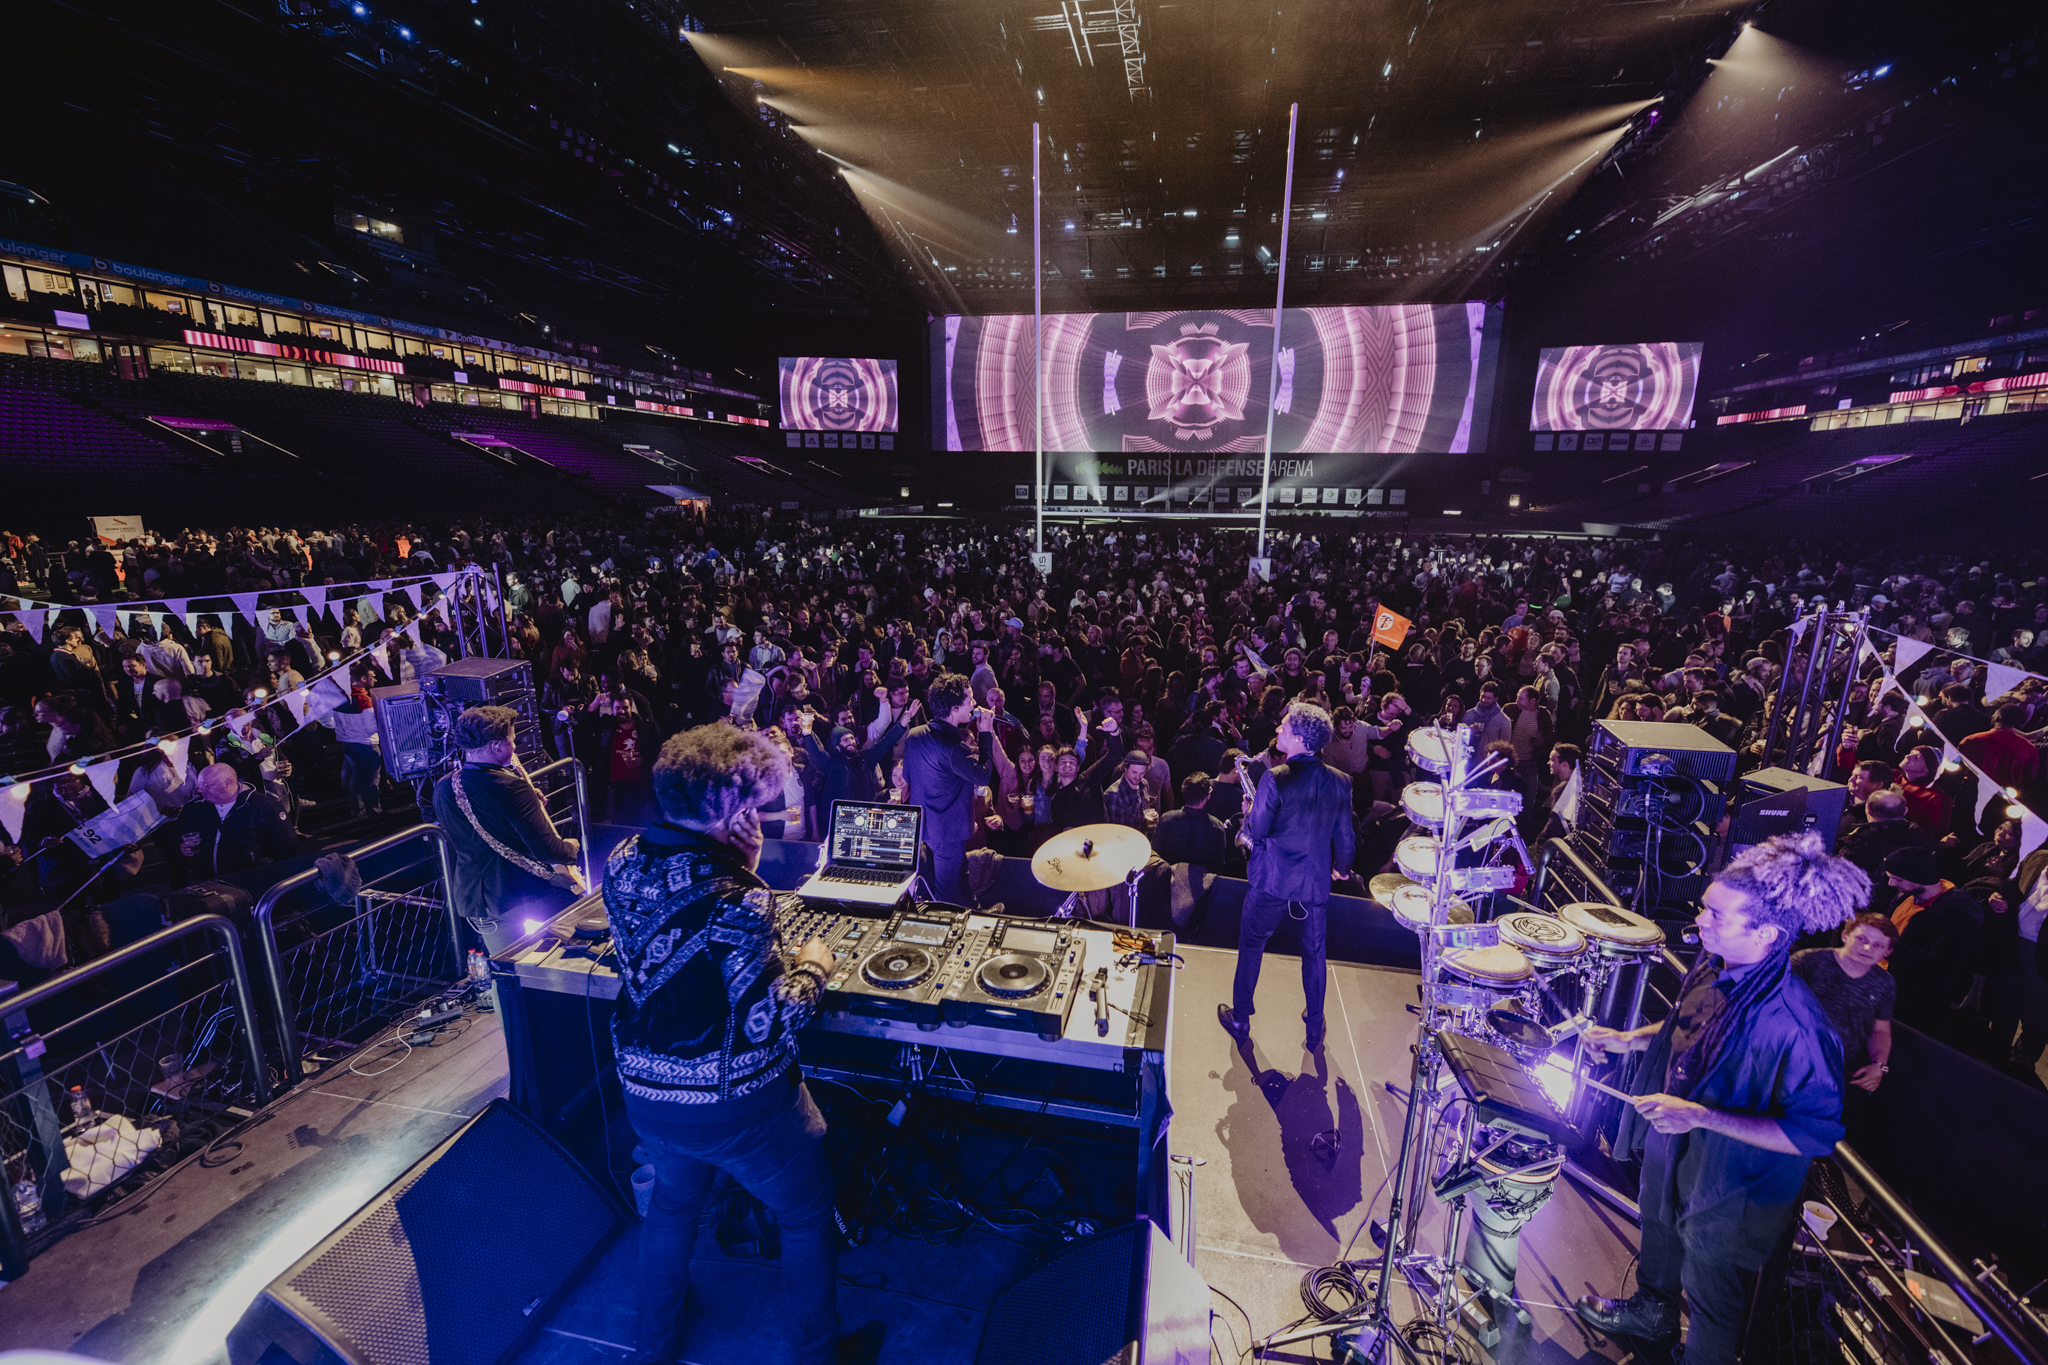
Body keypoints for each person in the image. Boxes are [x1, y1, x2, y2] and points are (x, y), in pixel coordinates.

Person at [605, 725, 884, 1365]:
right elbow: (767, 1022)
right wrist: (814, 965)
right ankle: (820, 1355)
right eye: (754, 809)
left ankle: (654, 1348)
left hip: (647, 1093)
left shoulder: (621, 862)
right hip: (739, 1109)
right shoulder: (741, 898)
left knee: (674, 1208)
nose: (761, 820)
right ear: (733, 819)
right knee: (806, 1217)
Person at [1576, 833, 1866, 1363]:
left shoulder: (1800, 1029)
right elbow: (1689, 1020)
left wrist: (1702, 1117)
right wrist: (1629, 1039)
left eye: (1716, 916)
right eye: (1705, 908)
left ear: (1767, 933)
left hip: (1733, 1186)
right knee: (1658, 1233)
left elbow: (1815, 1134)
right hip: (1678, 1155)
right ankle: (1652, 1313)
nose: (1700, 922)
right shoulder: (1714, 965)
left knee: (1712, 1299)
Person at [1217, 700, 1354, 1051]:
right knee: (1314, 954)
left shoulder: (1274, 779)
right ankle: (1313, 1030)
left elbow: (1258, 832)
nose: (1278, 730)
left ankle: (1241, 1018)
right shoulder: (1341, 781)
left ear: (1299, 739)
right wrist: (1342, 866)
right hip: (1313, 884)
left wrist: (1248, 813)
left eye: (1284, 727)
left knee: (1252, 944)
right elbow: (1345, 834)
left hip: (1271, 881)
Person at [431, 705, 583, 953]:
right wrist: (572, 847)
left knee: (506, 975)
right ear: (495, 746)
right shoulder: (511, 789)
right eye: (512, 740)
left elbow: (476, 822)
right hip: (521, 895)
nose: (514, 748)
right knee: (557, 964)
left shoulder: (444, 787)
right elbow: (548, 851)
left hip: (477, 899)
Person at [901, 671, 994, 904]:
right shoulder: (954, 748)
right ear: (954, 710)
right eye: (970, 700)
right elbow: (984, 776)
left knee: (957, 878)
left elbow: (907, 776)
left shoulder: (913, 735)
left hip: (925, 828)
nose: (974, 704)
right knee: (944, 894)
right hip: (947, 834)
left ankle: (975, 910)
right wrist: (985, 733)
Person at [1790, 913, 1897, 1103]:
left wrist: (1879, 1065)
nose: (1867, 948)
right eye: (1861, 939)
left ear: (1887, 952)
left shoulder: (1885, 982)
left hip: (1844, 1071)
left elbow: (1880, 1030)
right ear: (1845, 936)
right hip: (1792, 1063)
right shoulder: (1807, 962)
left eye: (1878, 945)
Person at [1880, 845, 1983, 1038]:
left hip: (1915, 1006)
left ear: (1920, 877)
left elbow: (1940, 965)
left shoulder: (1959, 916)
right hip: (1886, 990)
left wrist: (1887, 946)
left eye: (1898, 879)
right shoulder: (1904, 897)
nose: (1891, 883)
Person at [173, 761, 297, 882]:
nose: (199, 790)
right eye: (199, 785)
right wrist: (183, 848)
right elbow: (179, 836)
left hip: (251, 879)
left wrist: (272, 872)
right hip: (209, 882)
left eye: (206, 785)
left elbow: (286, 842)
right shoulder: (194, 808)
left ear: (228, 783)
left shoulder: (263, 805)